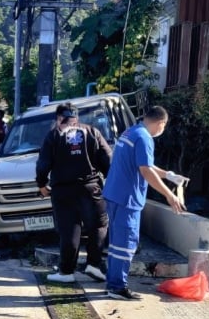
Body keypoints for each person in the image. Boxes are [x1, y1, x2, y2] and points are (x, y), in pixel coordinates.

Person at [102, 106, 186, 300]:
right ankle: (117, 287)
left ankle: (112, 283)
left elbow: (145, 164)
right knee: (126, 244)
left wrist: (169, 176)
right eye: (163, 127)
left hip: (115, 195)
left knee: (116, 244)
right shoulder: (144, 138)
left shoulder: (131, 132)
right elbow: (145, 171)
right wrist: (169, 195)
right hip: (127, 199)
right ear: (161, 123)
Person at [37, 103, 112, 284]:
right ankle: (94, 264)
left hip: (62, 191)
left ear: (58, 117)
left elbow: (43, 164)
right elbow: (108, 159)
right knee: (98, 226)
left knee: (68, 230)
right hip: (90, 188)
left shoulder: (54, 134)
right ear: (76, 117)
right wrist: (109, 181)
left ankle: (66, 272)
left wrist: (41, 184)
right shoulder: (93, 132)